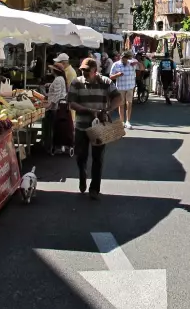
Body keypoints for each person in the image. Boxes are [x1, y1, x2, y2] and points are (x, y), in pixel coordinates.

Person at [69, 58, 118, 199]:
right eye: (82, 70)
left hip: (100, 126)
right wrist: (88, 110)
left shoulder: (105, 82)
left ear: (95, 71)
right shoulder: (76, 82)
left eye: (87, 70)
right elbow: (71, 103)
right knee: (80, 156)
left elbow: (118, 98)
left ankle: (94, 189)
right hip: (81, 126)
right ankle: (82, 174)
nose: (83, 72)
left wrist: (108, 110)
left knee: (98, 158)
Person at [44, 63, 70, 154]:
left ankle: (52, 147)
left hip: (56, 107)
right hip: (60, 106)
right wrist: (50, 85)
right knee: (55, 128)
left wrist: (50, 104)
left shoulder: (58, 79)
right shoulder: (60, 78)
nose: (50, 71)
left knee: (52, 128)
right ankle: (55, 146)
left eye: (52, 69)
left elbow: (57, 94)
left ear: (55, 71)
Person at [110, 52, 138, 129]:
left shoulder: (132, 63)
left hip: (130, 86)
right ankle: (122, 121)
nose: (124, 60)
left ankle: (128, 121)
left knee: (129, 103)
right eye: (122, 58)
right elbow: (111, 76)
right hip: (120, 87)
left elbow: (142, 67)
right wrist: (117, 75)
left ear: (128, 58)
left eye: (125, 58)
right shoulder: (116, 64)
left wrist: (138, 62)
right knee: (121, 104)